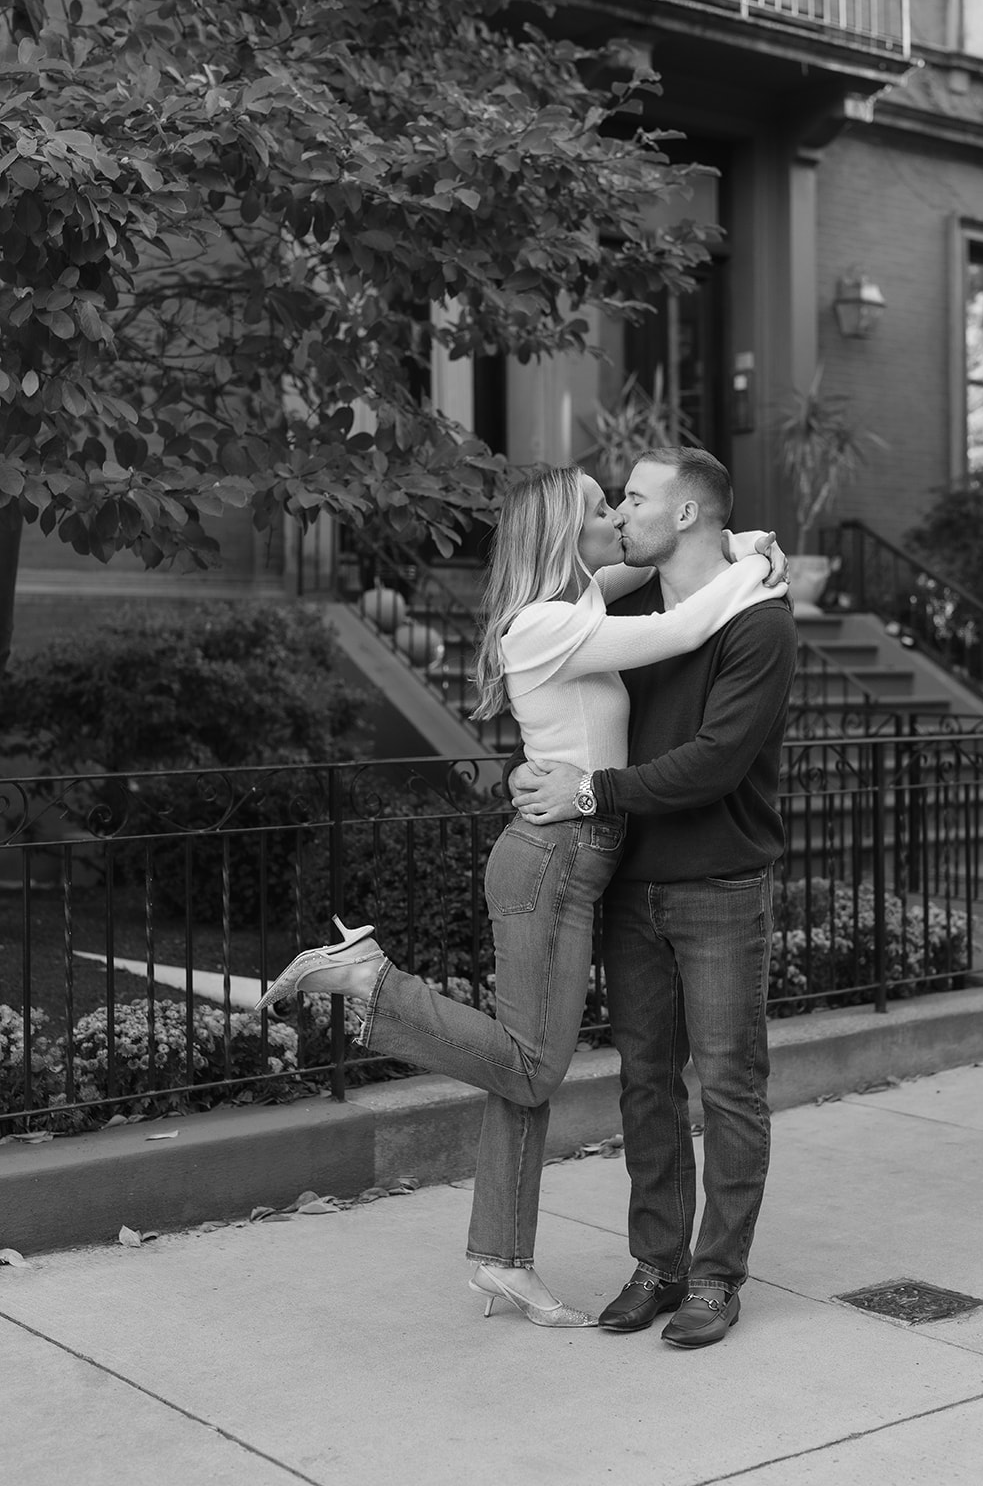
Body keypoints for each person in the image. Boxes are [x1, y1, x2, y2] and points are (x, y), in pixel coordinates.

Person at [256, 463, 787, 1329]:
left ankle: (531, 1261)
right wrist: (752, 567)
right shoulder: (552, 622)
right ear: (560, 533)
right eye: (599, 508)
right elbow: (684, 618)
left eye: (627, 503)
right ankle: (372, 982)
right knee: (543, 1063)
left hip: (604, 860)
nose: (616, 515)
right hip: (560, 857)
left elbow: (668, 578)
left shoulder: (585, 604)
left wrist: (741, 546)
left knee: (547, 1066)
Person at [510, 446, 797, 1350]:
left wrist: (590, 793)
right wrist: (539, 772)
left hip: (718, 883)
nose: (619, 512)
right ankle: (658, 1265)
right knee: (644, 1085)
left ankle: (716, 1277)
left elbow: (715, 761)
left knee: (730, 1086)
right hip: (628, 885)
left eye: (633, 499)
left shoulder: (758, 623)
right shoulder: (619, 607)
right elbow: (567, 707)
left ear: (681, 516)